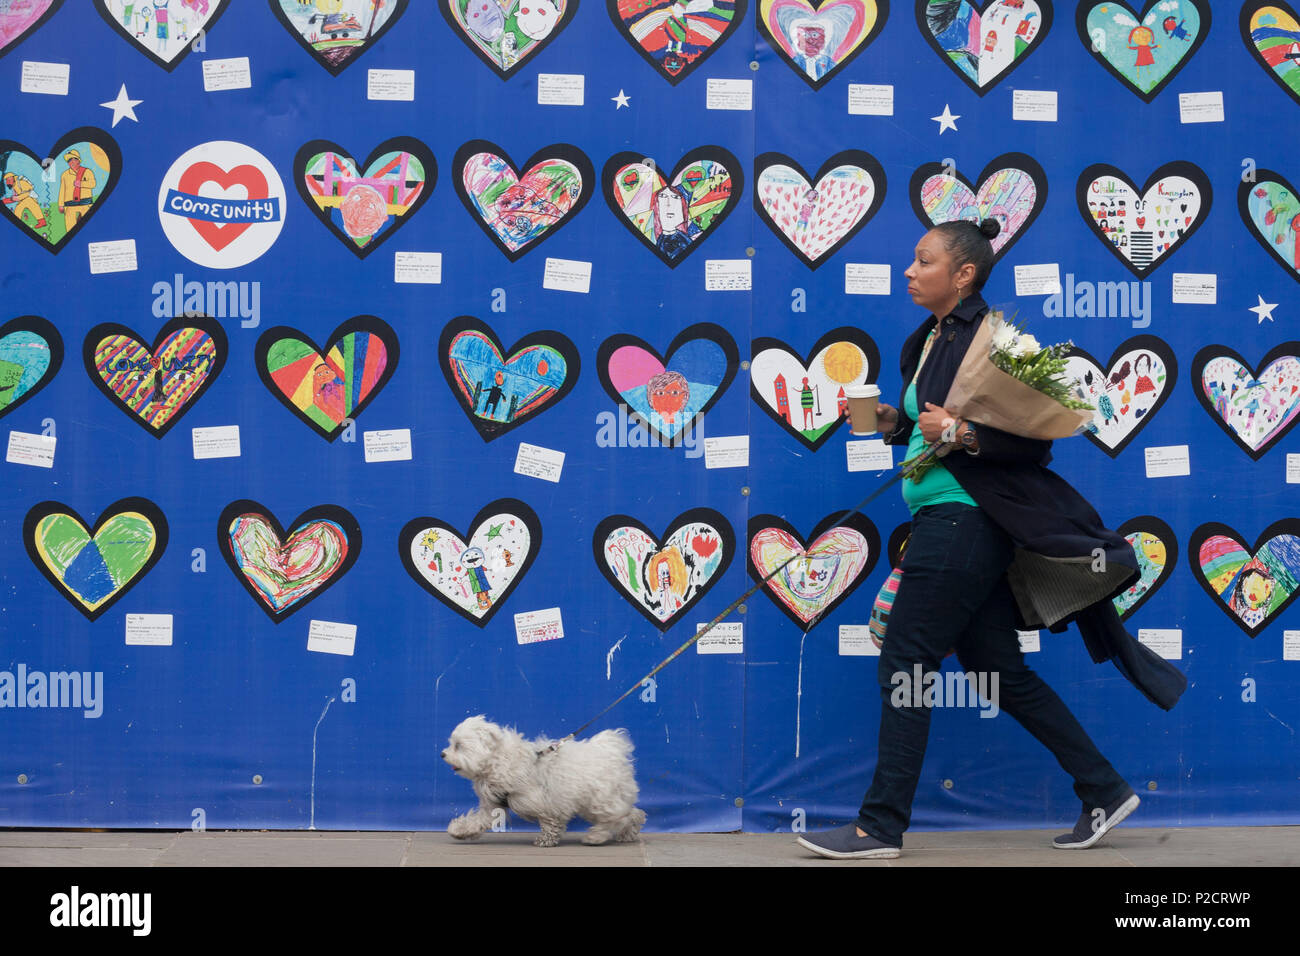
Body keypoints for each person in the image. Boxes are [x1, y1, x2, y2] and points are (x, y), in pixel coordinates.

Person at [798, 218, 1185, 860]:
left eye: (923, 261)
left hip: (963, 521)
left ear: (964, 274)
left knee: (906, 663)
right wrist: (896, 422)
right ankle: (1105, 788)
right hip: (948, 519)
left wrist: (964, 433)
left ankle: (878, 827)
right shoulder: (928, 338)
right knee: (997, 670)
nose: (909, 271)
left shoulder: (998, 341)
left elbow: (1034, 442)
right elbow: (933, 429)